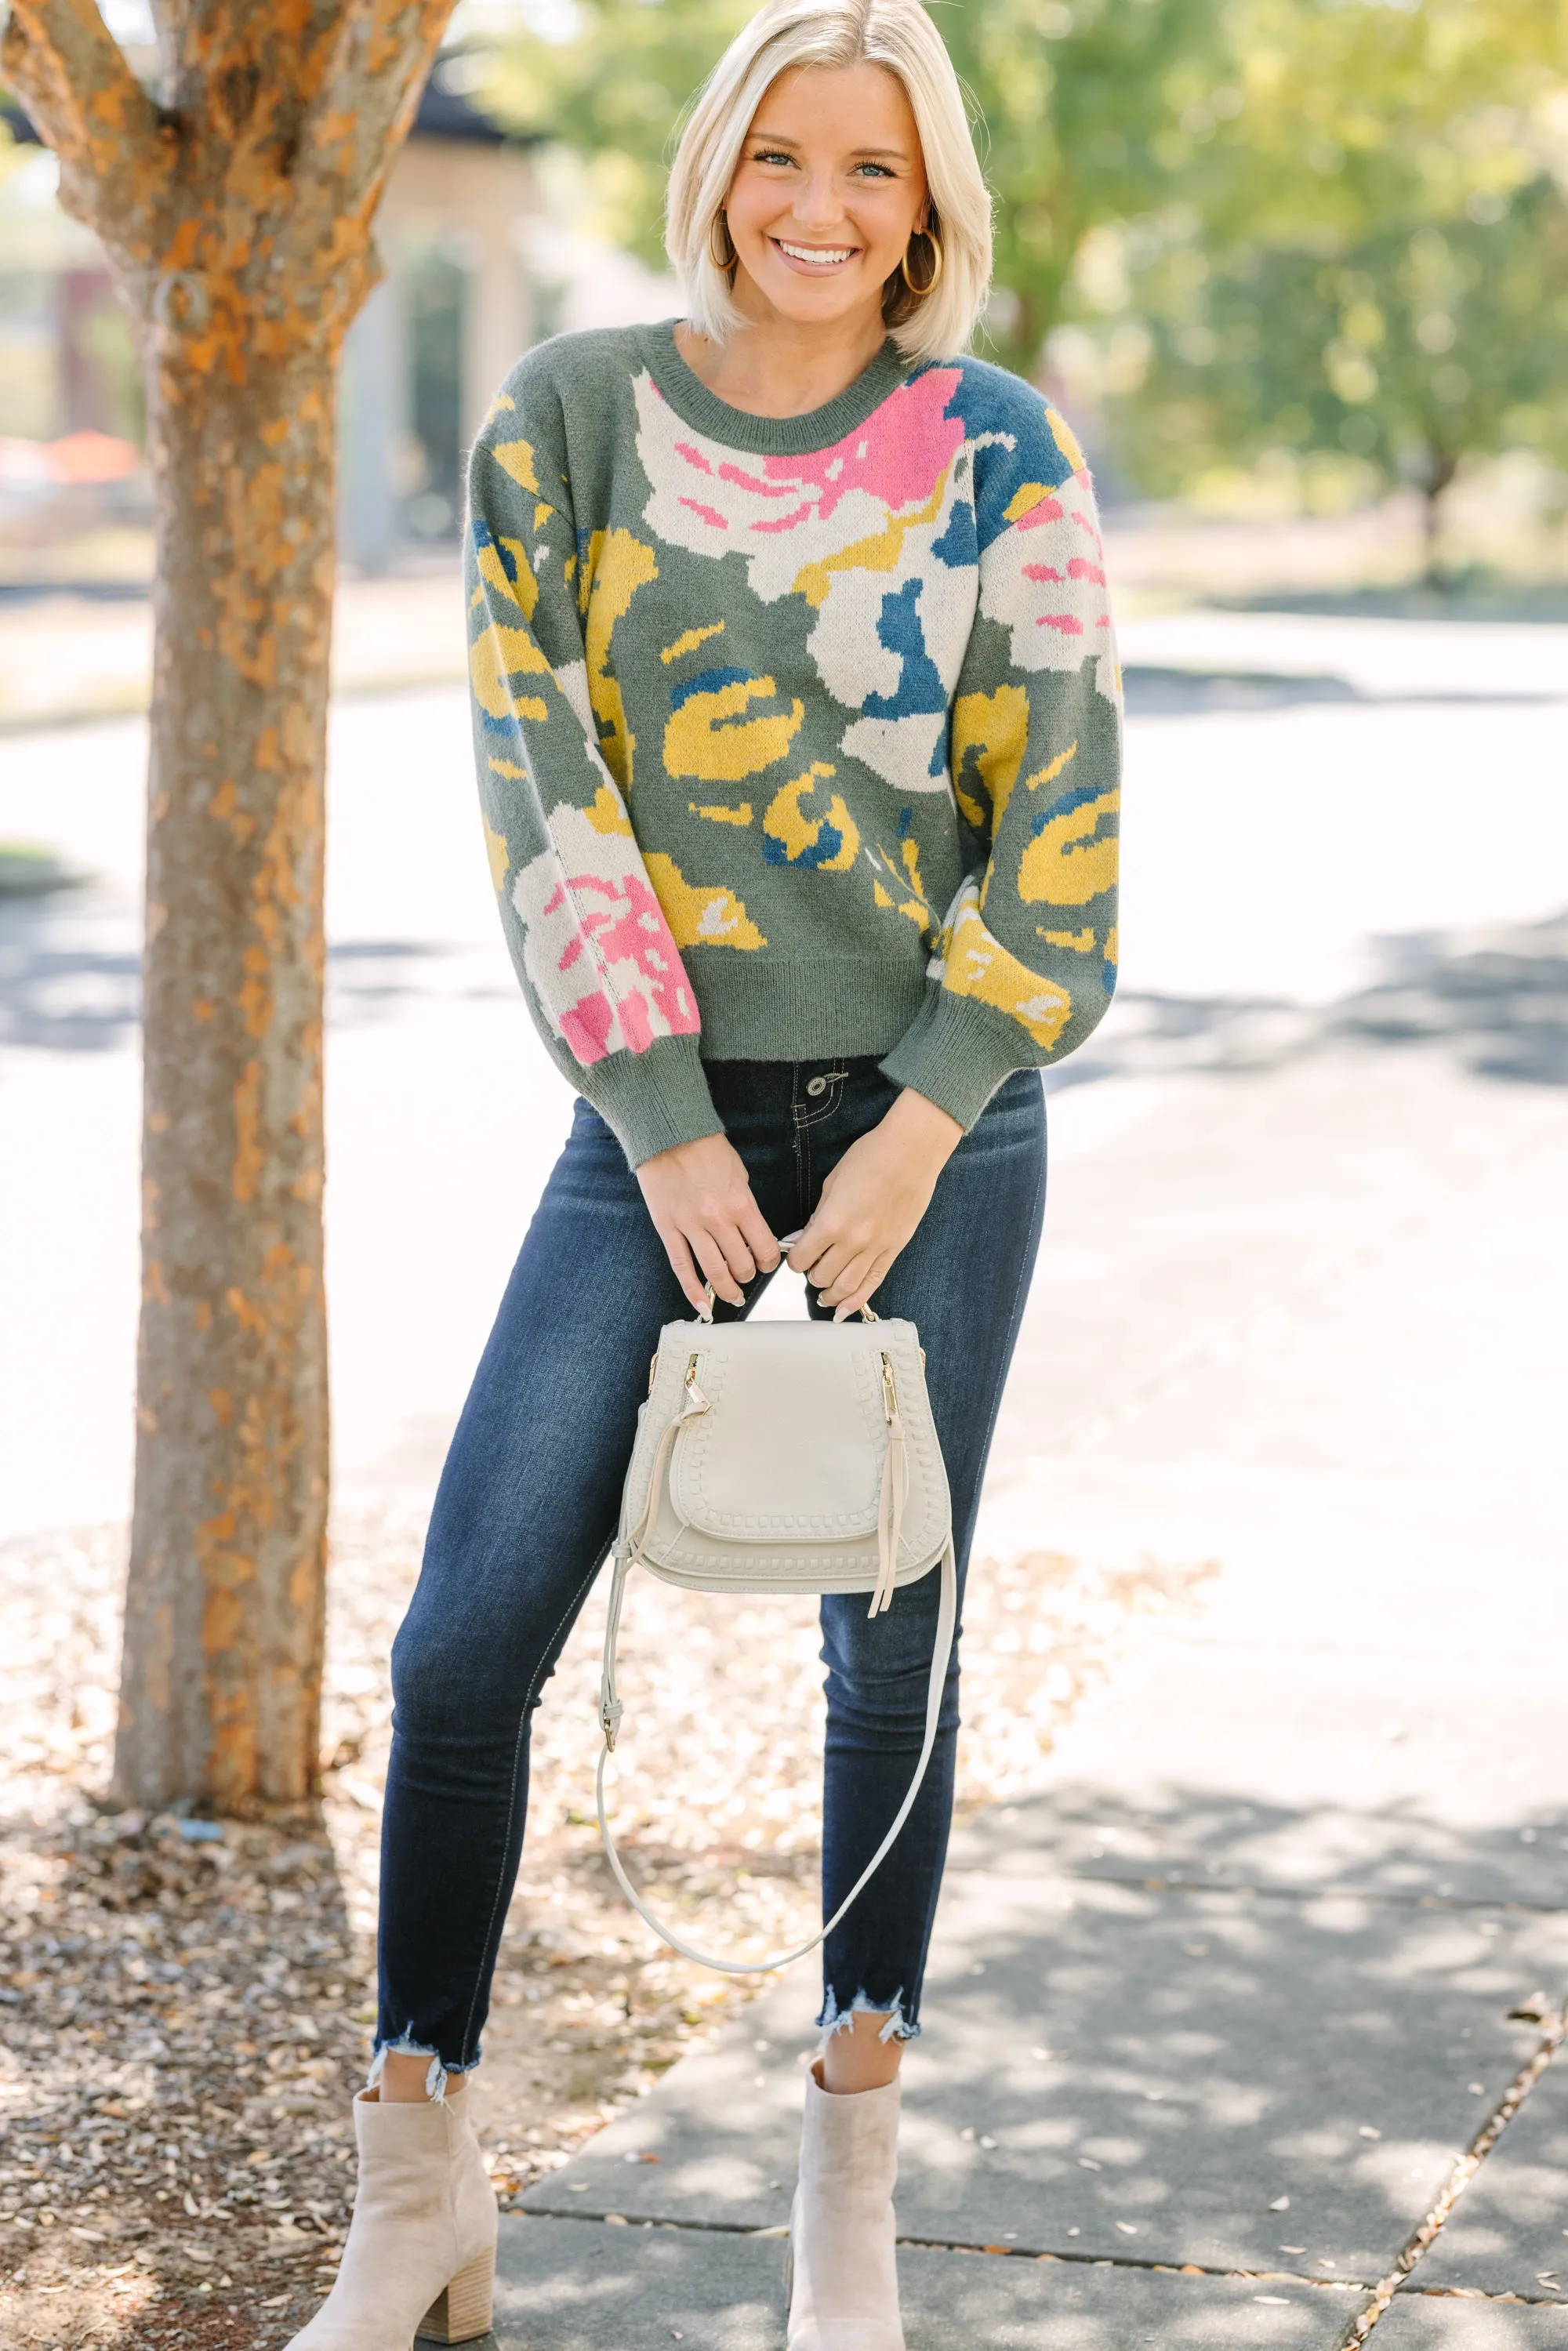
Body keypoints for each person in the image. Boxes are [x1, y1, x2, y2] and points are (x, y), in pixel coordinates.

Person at [292, 2, 1120, 2345]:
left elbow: (1058, 826)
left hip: (936, 1124)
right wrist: (659, 1111)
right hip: (652, 1119)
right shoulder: (566, 419)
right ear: (719, 166)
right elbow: (538, 775)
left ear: (929, 200)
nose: (821, 210)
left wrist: (926, 1120)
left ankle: (844, 2187)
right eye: (784, 155)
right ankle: (416, 2182)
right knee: (466, 1645)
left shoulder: (999, 449)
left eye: (872, 169)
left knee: (896, 1657)